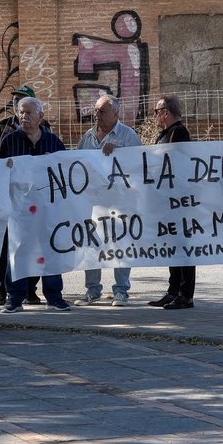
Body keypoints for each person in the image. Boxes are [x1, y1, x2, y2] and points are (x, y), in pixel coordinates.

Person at [0, 96, 71, 313]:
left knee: (51, 248)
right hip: (19, 209)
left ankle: (54, 297)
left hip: (48, 208)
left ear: (41, 116)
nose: (24, 116)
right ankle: (15, 298)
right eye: (21, 112)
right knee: (18, 250)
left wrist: (52, 162)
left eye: (28, 112)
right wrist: (7, 166)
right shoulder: (9, 141)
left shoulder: (54, 142)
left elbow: (65, 171)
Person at [75, 95, 141, 307]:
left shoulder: (128, 136)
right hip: (92, 201)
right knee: (91, 244)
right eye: (95, 110)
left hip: (119, 202)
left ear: (115, 113)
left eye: (102, 111)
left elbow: (139, 165)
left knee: (120, 244)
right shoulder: (88, 137)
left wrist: (120, 154)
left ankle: (121, 291)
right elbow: (77, 164)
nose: (97, 115)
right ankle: (92, 290)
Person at [0, 85, 44, 307]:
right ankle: (0, 289)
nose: (17, 105)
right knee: (6, 245)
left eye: (22, 100)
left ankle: (30, 288)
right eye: (15, 101)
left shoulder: (47, 131)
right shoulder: (3, 128)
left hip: (37, 200)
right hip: (12, 199)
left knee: (35, 244)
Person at [148, 96, 196, 310]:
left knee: (183, 246)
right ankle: (173, 290)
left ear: (165, 112)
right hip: (167, 199)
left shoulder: (179, 133)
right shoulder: (166, 134)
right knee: (172, 246)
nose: (155, 116)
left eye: (156, 111)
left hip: (180, 200)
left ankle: (186, 295)